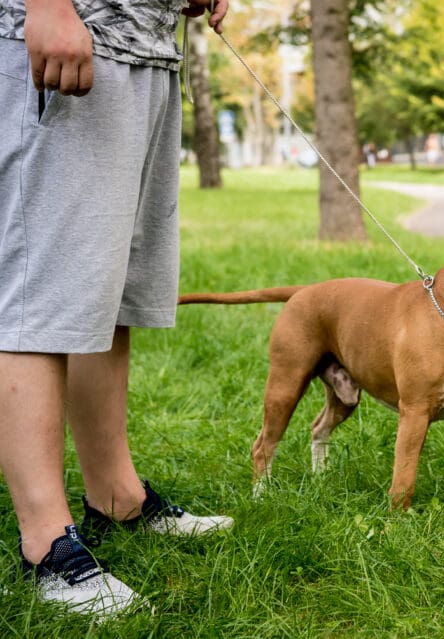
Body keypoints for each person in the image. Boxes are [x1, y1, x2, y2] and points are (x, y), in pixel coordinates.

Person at [0, 0, 232, 619]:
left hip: (144, 48)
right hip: (68, 34)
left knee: (107, 292)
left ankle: (116, 497)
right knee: (39, 292)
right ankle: (47, 544)